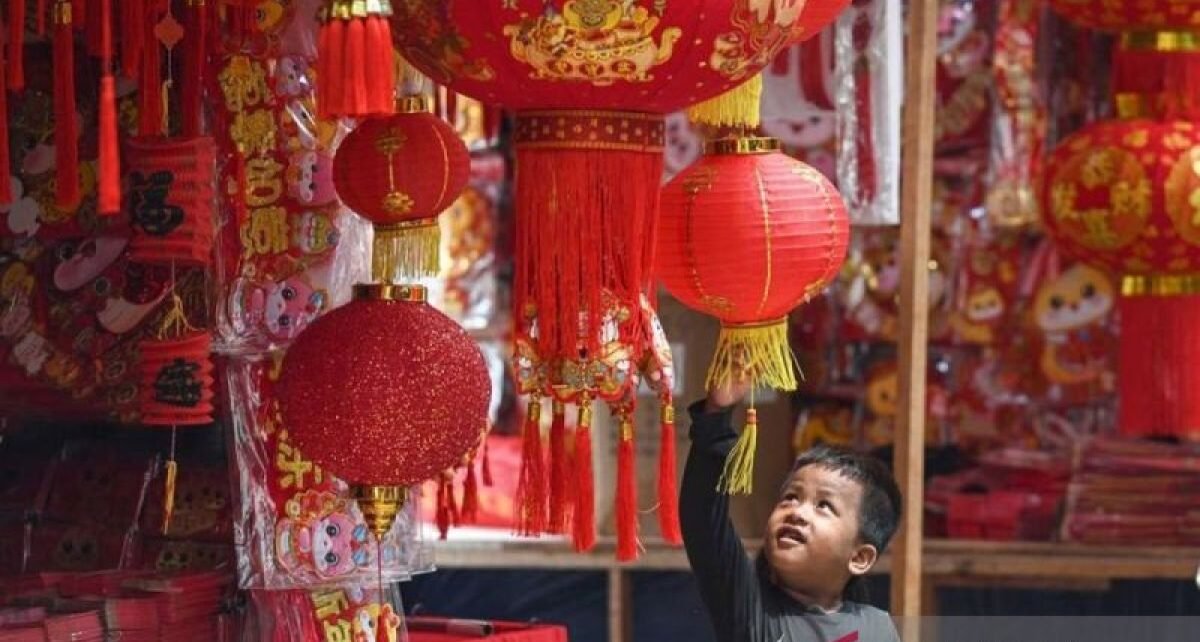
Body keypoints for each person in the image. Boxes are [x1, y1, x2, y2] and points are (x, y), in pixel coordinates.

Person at [681, 376, 903, 641]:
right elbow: (703, 522)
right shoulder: (751, 610)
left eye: (824, 505)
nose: (797, 512)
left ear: (859, 558)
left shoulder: (876, 628)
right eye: (790, 497)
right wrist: (716, 418)